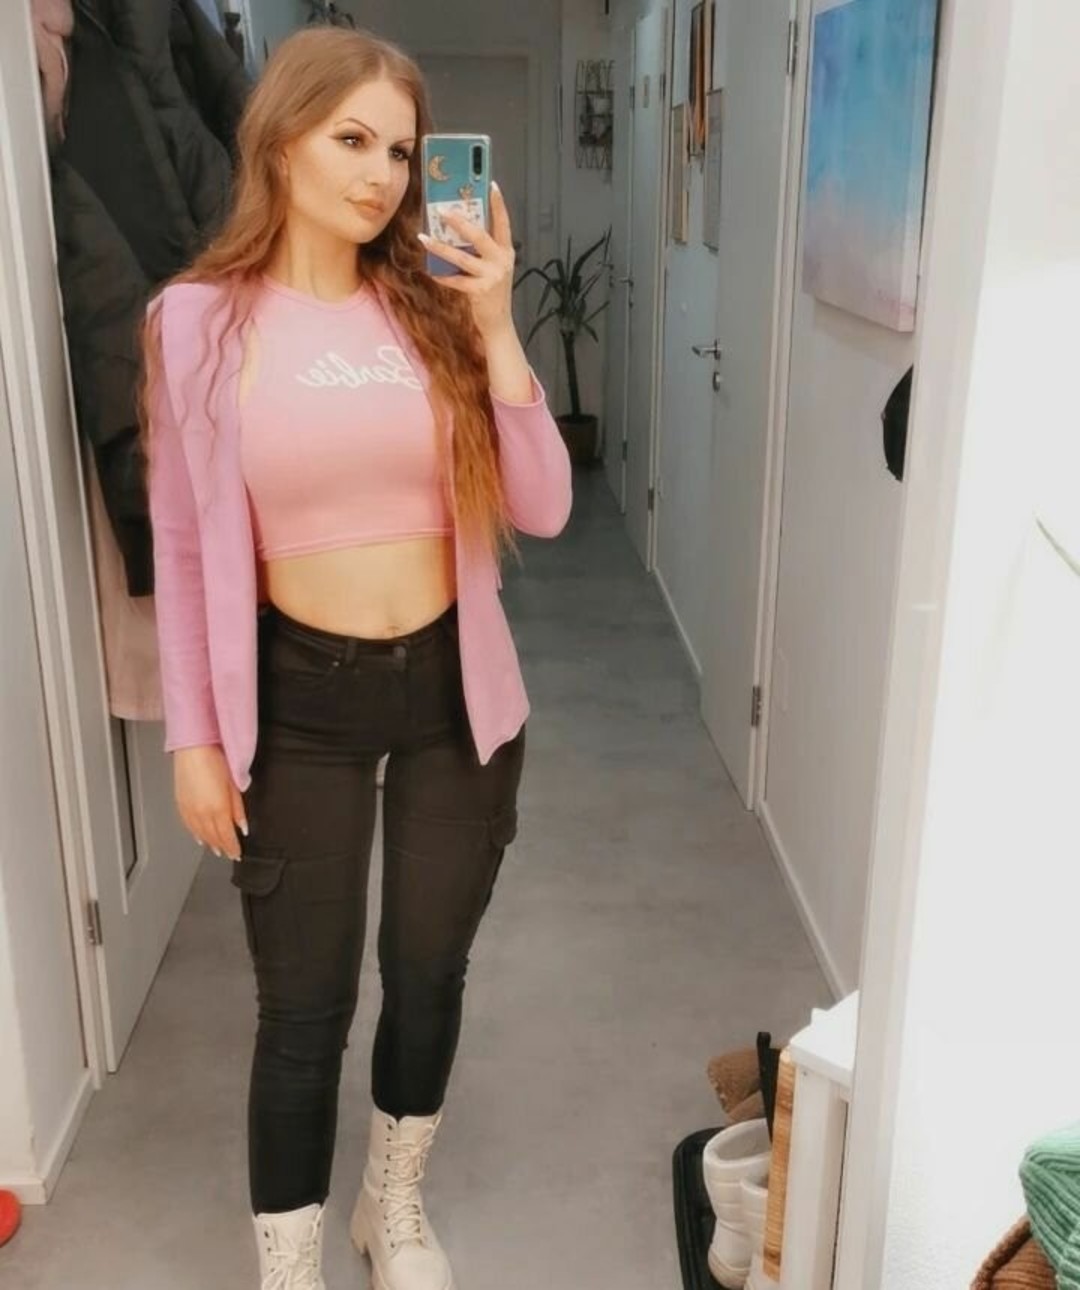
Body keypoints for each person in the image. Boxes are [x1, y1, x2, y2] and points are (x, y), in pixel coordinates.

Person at [139, 25, 572, 1290]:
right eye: (352, 139)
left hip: (452, 693)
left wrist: (494, 324)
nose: (382, 175)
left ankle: (393, 1204)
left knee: (429, 973)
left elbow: (544, 505)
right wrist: (193, 736)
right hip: (299, 702)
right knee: (303, 1010)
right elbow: (183, 545)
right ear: (280, 140)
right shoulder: (194, 323)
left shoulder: (429, 309)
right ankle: (290, 1267)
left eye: (399, 150)